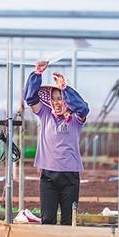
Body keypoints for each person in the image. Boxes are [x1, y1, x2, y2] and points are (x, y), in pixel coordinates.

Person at [23, 60, 89, 225]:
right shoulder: (45, 114)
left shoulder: (75, 119)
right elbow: (30, 98)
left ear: (66, 100)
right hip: (49, 177)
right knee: (48, 218)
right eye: (53, 99)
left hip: (70, 176)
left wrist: (65, 88)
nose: (56, 102)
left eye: (60, 98)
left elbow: (83, 108)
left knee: (68, 221)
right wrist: (36, 74)